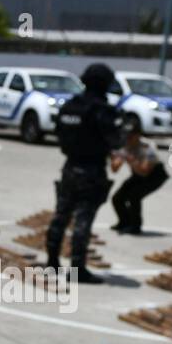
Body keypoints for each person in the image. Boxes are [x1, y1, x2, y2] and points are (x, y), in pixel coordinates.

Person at [44, 62, 124, 284]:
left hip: (69, 167)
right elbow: (116, 140)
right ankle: (78, 269)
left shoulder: (70, 106)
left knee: (60, 216)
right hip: (91, 170)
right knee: (82, 221)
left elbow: (59, 133)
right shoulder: (102, 110)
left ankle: (51, 262)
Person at [109, 127, 168, 236]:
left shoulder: (148, 147)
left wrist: (132, 160)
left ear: (138, 135)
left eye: (130, 136)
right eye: (126, 136)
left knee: (134, 196)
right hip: (138, 174)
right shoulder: (125, 146)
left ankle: (135, 226)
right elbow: (115, 170)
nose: (127, 139)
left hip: (155, 175)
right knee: (117, 198)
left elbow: (145, 171)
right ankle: (124, 222)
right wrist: (114, 160)